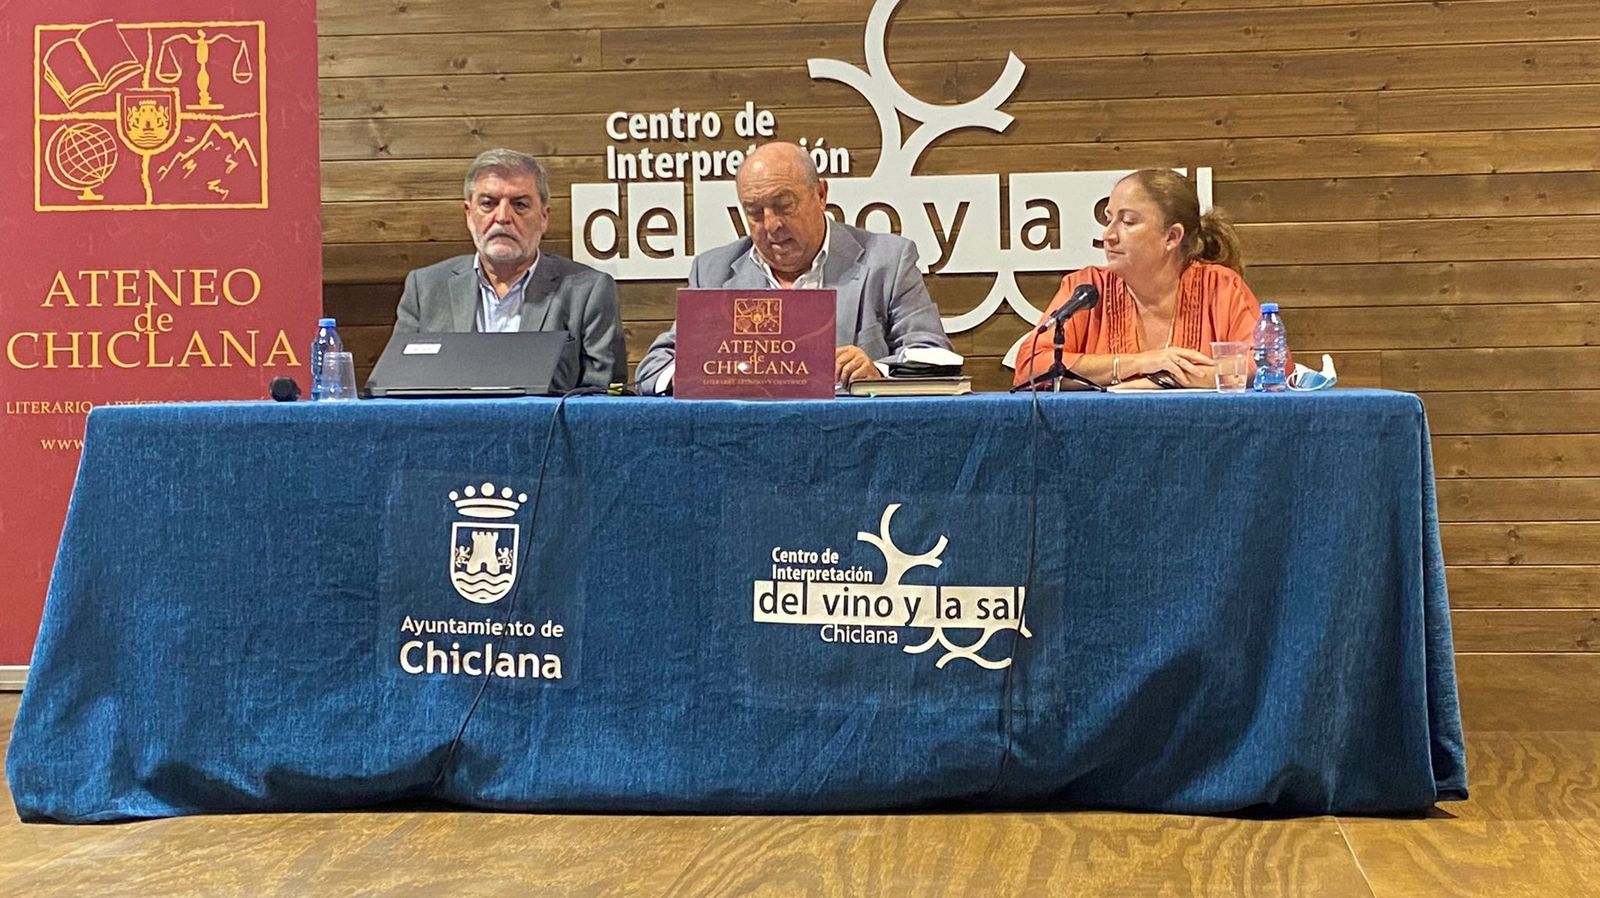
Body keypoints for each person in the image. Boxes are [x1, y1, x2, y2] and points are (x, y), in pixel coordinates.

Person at [634, 142, 951, 395]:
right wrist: (700, 374)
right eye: (755, 212)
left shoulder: (887, 260)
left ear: (821, 194)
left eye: (784, 206)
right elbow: (653, 369)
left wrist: (877, 373)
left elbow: (932, 354)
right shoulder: (714, 272)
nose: (771, 225)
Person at [1013, 169, 1270, 390]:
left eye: (1127, 221)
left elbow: (1268, 364)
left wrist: (1167, 379)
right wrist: (1140, 363)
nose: (1108, 235)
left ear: (1171, 237)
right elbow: (1030, 364)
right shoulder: (1087, 287)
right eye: (1108, 219)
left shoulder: (1220, 286)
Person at [394, 148, 626, 390]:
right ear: (469, 214)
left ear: (544, 217)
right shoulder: (426, 288)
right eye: (488, 204)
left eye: (520, 205)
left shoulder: (589, 290)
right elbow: (399, 384)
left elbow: (605, 394)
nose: (503, 217)